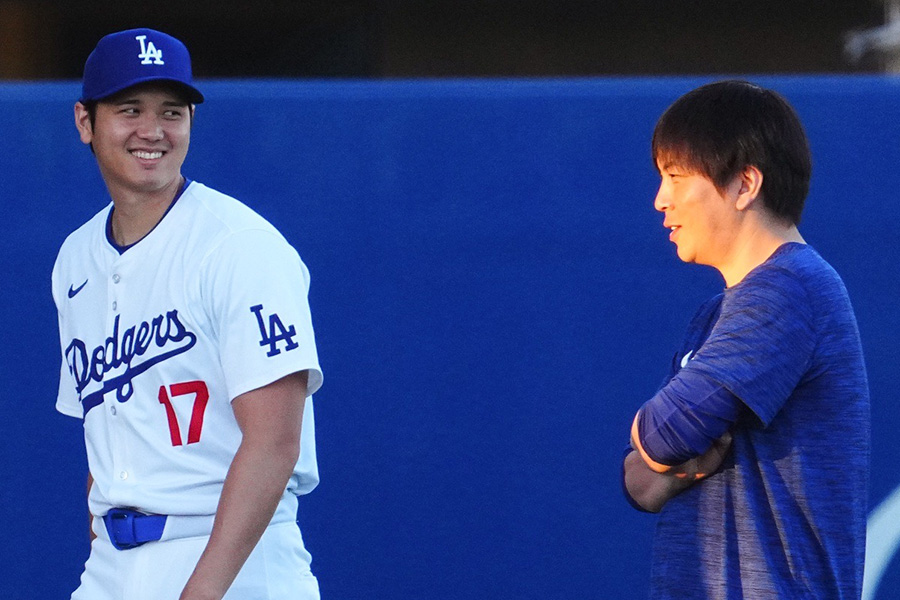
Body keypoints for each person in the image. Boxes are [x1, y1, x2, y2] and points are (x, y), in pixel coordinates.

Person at [52, 28, 323, 600]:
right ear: (85, 122)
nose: (153, 131)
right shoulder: (75, 259)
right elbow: (105, 431)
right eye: (130, 109)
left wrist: (200, 593)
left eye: (172, 112)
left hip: (235, 563)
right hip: (113, 565)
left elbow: (275, 442)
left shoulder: (241, 246)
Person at [622, 80, 869, 599]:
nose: (660, 200)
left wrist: (670, 452)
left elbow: (660, 436)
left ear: (744, 185)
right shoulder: (716, 313)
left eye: (675, 176)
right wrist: (677, 457)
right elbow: (639, 484)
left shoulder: (790, 286)